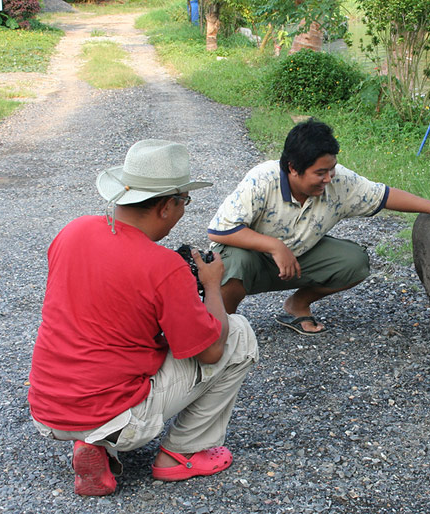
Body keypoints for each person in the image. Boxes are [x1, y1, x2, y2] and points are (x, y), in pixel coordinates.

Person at [28, 139, 259, 496]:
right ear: (167, 206)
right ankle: (181, 453)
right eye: (184, 202)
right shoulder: (164, 267)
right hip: (116, 412)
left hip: (48, 409)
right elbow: (211, 352)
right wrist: (211, 286)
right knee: (239, 334)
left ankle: (94, 442)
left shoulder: (72, 231)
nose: (183, 210)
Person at [207, 119, 430, 335]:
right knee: (232, 261)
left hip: (298, 259)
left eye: (332, 169)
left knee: (354, 261)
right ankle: (222, 329)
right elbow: (219, 231)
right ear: (292, 168)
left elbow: (383, 195)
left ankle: (297, 305)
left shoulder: (340, 181)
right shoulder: (262, 179)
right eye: (320, 173)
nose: (329, 178)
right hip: (251, 259)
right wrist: (274, 246)